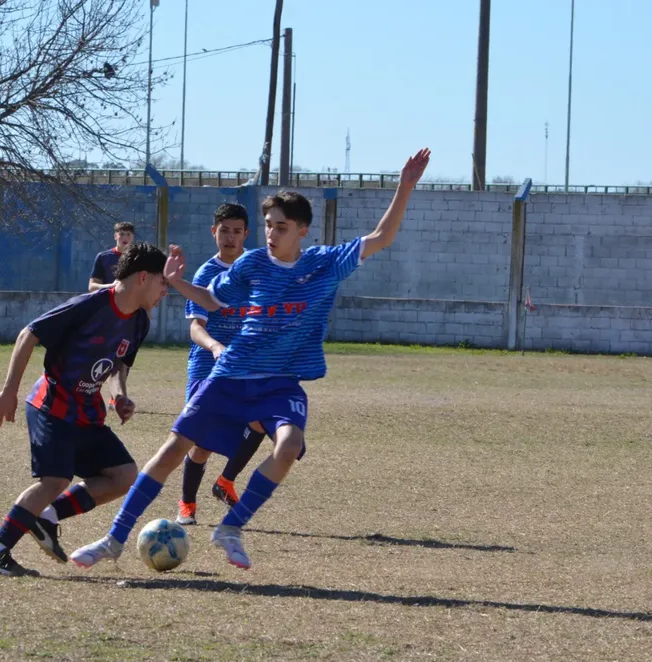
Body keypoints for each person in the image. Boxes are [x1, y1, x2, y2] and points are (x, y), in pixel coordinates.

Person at [70, 148, 431, 570]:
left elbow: (382, 237)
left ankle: (231, 528)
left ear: (302, 231)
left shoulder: (327, 263)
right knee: (174, 448)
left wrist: (405, 186)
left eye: (281, 227)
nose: (271, 233)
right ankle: (113, 539)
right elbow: (211, 299)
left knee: (290, 445)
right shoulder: (253, 264)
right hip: (230, 375)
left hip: (279, 382)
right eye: (268, 225)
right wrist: (176, 282)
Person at [0, 242, 169, 577]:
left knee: (124, 475)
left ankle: (47, 517)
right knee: (55, 480)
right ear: (143, 277)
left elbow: (119, 363)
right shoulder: (90, 306)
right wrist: (9, 391)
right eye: (162, 282)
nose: (166, 290)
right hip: (52, 404)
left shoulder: (139, 321)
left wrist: (120, 396)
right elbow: (29, 334)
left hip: (87, 411)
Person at [175, 203, 266, 526]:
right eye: (224, 230)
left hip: (244, 364)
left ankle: (226, 481)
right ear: (214, 232)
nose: (230, 237)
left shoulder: (256, 267)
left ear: (246, 234)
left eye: (236, 231)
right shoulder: (206, 274)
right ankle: (187, 503)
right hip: (207, 364)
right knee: (202, 444)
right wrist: (215, 346)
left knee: (261, 420)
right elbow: (195, 327)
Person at [88, 221, 135, 291]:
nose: (125, 237)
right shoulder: (103, 257)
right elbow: (92, 287)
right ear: (115, 236)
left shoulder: (138, 257)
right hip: (109, 296)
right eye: (121, 234)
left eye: (128, 234)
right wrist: (111, 286)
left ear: (133, 237)